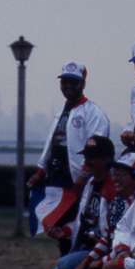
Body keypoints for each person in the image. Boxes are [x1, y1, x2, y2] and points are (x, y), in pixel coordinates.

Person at [27, 61, 110, 254]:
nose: (68, 87)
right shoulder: (60, 111)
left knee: (81, 228)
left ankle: (79, 268)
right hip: (59, 180)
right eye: (64, 82)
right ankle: (66, 268)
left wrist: (83, 175)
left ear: (83, 84)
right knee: (61, 231)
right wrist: (41, 172)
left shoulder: (93, 113)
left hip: (81, 181)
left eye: (74, 82)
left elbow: (98, 150)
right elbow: (51, 144)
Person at [59, 152, 135, 269]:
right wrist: (85, 263)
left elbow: (129, 248)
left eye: (120, 174)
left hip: (122, 268)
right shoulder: (117, 201)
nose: (114, 178)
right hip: (108, 264)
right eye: (113, 173)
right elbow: (107, 238)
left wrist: (101, 262)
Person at [33, 136, 117, 269]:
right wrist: (64, 231)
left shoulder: (117, 188)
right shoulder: (90, 184)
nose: (86, 161)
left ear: (107, 160)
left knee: (65, 264)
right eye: (85, 157)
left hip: (100, 255)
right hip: (80, 250)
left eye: (92, 157)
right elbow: (81, 224)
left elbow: (118, 232)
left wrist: (100, 242)